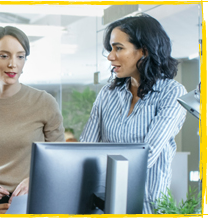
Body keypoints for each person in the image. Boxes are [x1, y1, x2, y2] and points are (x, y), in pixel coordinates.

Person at [80, 13, 187, 214]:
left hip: (147, 207)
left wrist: (99, 163)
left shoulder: (172, 92)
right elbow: (86, 148)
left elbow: (146, 155)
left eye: (118, 48)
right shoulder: (107, 93)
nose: (111, 56)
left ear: (144, 51)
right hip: (103, 206)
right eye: (111, 48)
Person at [0, 26, 65, 205]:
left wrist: (35, 180)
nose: (13, 64)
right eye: (4, 55)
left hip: (32, 201)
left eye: (20, 56)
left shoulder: (44, 102)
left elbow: (60, 158)